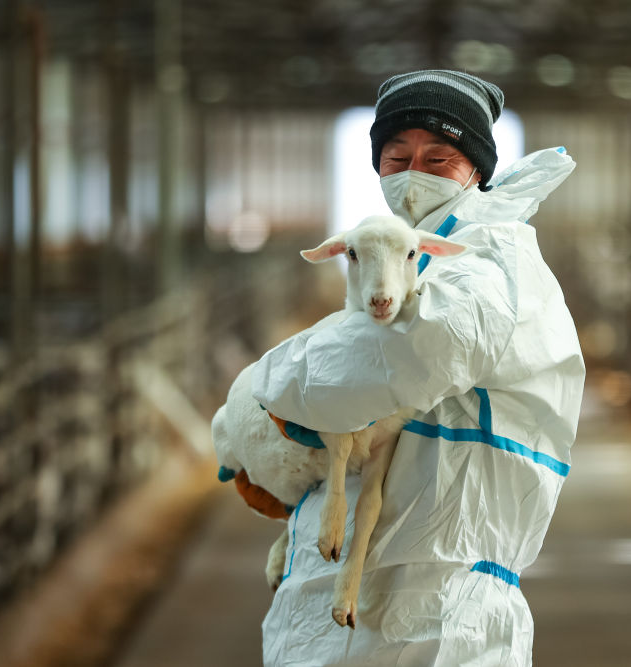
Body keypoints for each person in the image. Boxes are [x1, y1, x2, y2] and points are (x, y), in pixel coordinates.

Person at [229, 70, 584, 666]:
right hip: (357, 612)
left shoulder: (486, 263)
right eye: (396, 156)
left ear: (477, 168)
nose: (414, 171)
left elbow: (361, 371)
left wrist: (257, 393)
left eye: (440, 157)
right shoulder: (425, 259)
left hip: (433, 617)